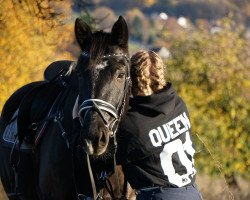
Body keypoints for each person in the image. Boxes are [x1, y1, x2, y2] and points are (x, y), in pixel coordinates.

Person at [116, 50, 203, 200]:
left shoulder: (131, 123)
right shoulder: (178, 104)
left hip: (158, 196)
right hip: (193, 193)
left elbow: (103, 157)